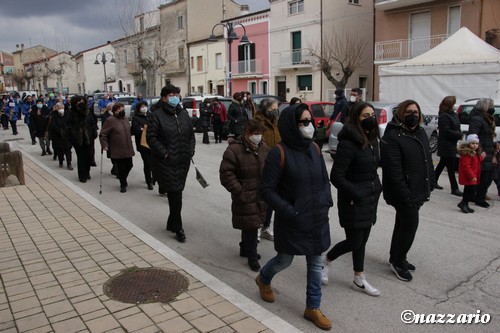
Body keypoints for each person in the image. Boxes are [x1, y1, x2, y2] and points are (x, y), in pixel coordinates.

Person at [255, 103, 333, 331]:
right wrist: (290, 211)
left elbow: (324, 179)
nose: (310, 126)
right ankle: (264, 278)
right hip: (293, 219)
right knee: (284, 260)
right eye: (304, 122)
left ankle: (313, 307)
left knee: (315, 263)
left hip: (317, 217)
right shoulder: (278, 153)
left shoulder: (315, 149)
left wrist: (327, 199)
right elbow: (267, 190)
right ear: (292, 124)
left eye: (311, 121)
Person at [321, 102, 382, 297]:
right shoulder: (348, 143)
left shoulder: (373, 140)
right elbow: (337, 176)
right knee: (354, 241)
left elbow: (373, 170)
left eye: (372, 114)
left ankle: (359, 278)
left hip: (370, 199)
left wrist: (376, 187)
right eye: (365, 115)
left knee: (362, 241)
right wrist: (356, 192)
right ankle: (327, 260)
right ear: (356, 118)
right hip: (353, 201)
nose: (370, 118)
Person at [380, 99, 435, 282]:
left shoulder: (419, 132)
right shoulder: (393, 135)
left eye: (416, 112)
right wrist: (406, 194)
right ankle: (398, 263)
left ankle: (397, 257)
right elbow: (393, 170)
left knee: (402, 224)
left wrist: (431, 182)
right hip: (404, 193)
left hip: (418, 188)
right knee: (410, 226)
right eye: (409, 112)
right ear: (401, 113)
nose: (413, 115)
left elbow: (427, 157)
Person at [147, 84, 195, 243]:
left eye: (177, 94)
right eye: (171, 94)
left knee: (177, 192)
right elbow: (151, 139)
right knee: (175, 192)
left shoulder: (183, 114)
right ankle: (178, 227)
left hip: (183, 160)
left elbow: (191, 135)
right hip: (166, 162)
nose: (175, 96)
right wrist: (165, 154)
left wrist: (191, 149)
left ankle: (171, 221)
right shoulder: (157, 115)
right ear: (164, 97)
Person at [220, 119, 269, 271]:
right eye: (256, 134)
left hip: (260, 194)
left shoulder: (263, 147)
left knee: (250, 223)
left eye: (261, 134)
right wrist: (239, 191)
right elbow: (226, 174)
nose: (259, 137)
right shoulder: (234, 150)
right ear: (247, 133)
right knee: (252, 225)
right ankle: (252, 256)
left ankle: (244, 248)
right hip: (244, 193)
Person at [252, 98, 281, 241]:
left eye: (277, 108)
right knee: (259, 199)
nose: (276, 111)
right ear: (266, 109)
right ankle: (256, 227)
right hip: (260, 165)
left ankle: (266, 227)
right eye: (273, 108)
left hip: (275, 167)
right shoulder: (257, 122)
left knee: (271, 200)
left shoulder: (277, 122)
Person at [100, 103, 135, 193]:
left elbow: (130, 131)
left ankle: (123, 178)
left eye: (123, 109)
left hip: (127, 147)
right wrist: (104, 145)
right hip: (117, 148)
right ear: (115, 111)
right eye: (120, 109)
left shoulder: (126, 119)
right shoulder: (110, 120)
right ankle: (123, 184)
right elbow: (103, 134)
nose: (123, 110)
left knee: (129, 165)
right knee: (121, 168)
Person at [468, 98, 496, 208]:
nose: (492, 108)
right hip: (482, 152)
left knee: (486, 176)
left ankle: (477, 195)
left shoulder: (486, 118)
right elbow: (473, 136)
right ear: (484, 107)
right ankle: (479, 198)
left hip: (488, 150)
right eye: (490, 106)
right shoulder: (477, 119)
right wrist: (479, 151)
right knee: (483, 176)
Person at [434, 96, 463, 196]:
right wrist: (459, 135)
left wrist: (459, 133)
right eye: (454, 103)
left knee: (442, 163)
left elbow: (456, 126)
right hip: (446, 144)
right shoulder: (444, 116)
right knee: (451, 167)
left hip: (452, 143)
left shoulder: (454, 114)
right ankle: (454, 188)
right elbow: (445, 130)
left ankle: (433, 181)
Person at [66, 95, 97, 183]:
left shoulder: (88, 112)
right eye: (79, 102)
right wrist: (71, 135)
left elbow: (92, 123)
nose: (81, 103)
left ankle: (87, 172)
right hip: (77, 139)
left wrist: (93, 132)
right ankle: (82, 176)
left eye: (82, 101)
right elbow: (67, 125)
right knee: (81, 157)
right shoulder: (71, 112)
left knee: (89, 156)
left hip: (89, 138)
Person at [457, 134, 486, 213]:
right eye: (473, 143)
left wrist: (482, 157)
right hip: (469, 176)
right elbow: (466, 166)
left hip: (473, 176)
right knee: (469, 191)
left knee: (469, 191)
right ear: (468, 144)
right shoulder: (467, 153)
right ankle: (463, 203)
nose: (475, 145)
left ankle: (465, 204)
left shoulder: (475, 153)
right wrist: (472, 176)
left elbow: (476, 162)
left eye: (476, 144)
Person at [131, 101, 154, 190]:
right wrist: (144, 129)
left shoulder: (150, 116)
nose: (144, 107)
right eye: (142, 106)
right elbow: (136, 130)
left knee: (153, 163)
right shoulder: (136, 118)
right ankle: (149, 181)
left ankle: (152, 178)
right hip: (142, 144)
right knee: (147, 163)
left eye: (145, 106)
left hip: (152, 143)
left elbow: (154, 126)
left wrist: (144, 128)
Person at [49, 102, 73, 170]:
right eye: (59, 108)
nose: (61, 109)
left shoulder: (68, 114)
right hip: (58, 136)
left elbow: (70, 123)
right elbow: (53, 126)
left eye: (62, 107)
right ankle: (61, 161)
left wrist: (67, 130)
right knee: (60, 150)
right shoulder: (54, 116)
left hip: (67, 136)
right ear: (56, 109)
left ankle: (69, 163)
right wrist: (60, 131)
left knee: (68, 150)